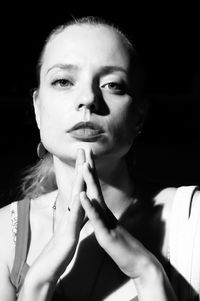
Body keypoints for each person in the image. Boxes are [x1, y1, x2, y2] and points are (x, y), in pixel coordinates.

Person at [0, 15, 199, 301]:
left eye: (112, 85)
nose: (88, 99)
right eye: (63, 81)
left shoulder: (190, 220)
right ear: (37, 108)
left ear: (139, 116)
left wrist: (147, 272)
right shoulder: (5, 233)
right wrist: (38, 282)